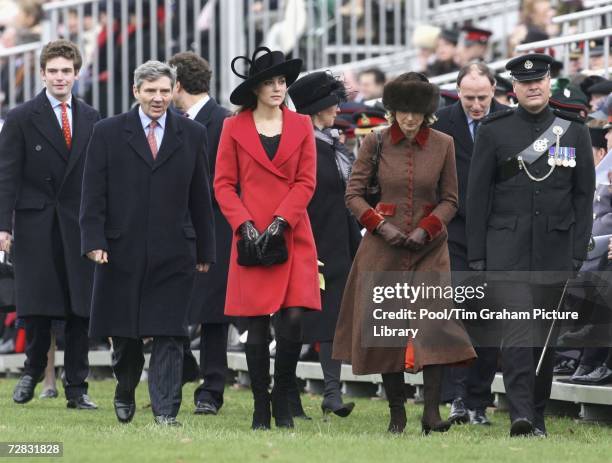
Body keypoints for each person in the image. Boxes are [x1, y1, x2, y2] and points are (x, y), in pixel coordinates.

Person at [333, 72, 476, 435]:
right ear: (392, 110)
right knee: (387, 328)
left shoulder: (444, 144)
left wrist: (425, 228)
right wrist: (382, 226)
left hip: (430, 249)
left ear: (427, 112)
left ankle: (431, 412)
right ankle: (397, 414)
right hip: (383, 248)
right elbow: (354, 194)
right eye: (401, 111)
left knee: (435, 326)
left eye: (415, 111)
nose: (408, 118)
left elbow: (451, 199)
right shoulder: (374, 142)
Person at [80, 60, 215, 426]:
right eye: (151, 91)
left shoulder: (192, 135)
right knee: (125, 337)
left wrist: (205, 248)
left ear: (174, 91)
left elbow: (200, 196)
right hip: (120, 251)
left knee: (171, 332)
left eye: (164, 91)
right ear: (136, 92)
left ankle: (166, 411)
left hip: (174, 250)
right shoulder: (107, 132)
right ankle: (124, 390)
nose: (158, 98)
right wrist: (93, 239)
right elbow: (92, 193)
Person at [466, 53, 595, 437]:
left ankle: (536, 412)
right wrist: (477, 256)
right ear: (514, 88)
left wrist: (576, 250)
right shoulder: (494, 129)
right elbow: (477, 197)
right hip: (507, 249)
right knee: (520, 332)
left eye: (539, 80)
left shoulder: (572, 130)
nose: (533, 86)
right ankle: (522, 414)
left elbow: (582, 196)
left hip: (555, 249)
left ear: (549, 82)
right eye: (525, 83)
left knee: (547, 338)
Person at [214, 47, 321, 430]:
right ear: (255, 88)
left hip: (292, 231)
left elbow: (307, 181)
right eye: (270, 82)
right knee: (257, 322)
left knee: (293, 317)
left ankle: (282, 396)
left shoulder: (301, 124)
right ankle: (262, 404)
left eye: (281, 81)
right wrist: (243, 225)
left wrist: (281, 221)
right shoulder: (233, 127)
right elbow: (224, 185)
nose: (278, 88)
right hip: (250, 233)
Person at [0, 39, 99, 410]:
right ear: (43, 74)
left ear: (76, 74)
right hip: (34, 222)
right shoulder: (22, 116)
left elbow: (99, 176)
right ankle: (31, 371)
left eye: (66, 71)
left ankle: (77, 388)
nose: (60, 77)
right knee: (37, 305)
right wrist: (2, 227)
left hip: (77, 224)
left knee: (78, 309)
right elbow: (6, 175)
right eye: (53, 71)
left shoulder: (91, 117)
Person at [433, 62, 508, 426]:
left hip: (498, 233)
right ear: (457, 93)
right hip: (455, 233)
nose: (476, 105)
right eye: (468, 98)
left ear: (494, 89)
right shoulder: (442, 122)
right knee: (456, 315)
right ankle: (457, 396)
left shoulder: (511, 121)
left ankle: (478, 400)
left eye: (482, 97)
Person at [288, 71, 361, 418]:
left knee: (332, 318)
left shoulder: (332, 144)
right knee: (296, 320)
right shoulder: (300, 145)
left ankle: (332, 392)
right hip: (307, 240)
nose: (338, 109)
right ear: (318, 108)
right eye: (332, 104)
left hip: (336, 240)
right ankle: (289, 394)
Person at [169, 51, 232, 417]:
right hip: (180, 229)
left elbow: (222, 181)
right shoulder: (174, 121)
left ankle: (211, 389)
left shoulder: (222, 122)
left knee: (212, 316)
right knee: (178, 307)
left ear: (177, 85)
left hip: (213, 227)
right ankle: (188, 367)